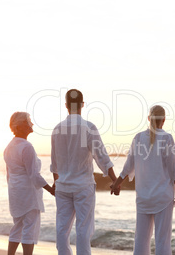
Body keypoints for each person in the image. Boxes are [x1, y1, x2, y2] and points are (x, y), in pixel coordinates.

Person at [51, 89, 118, 255]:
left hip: (63, 187)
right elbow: (101, 156)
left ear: (66, 105)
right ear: (82, 105)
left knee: (61, 229)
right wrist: (115, 181)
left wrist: (56, 184)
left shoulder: (57, 129)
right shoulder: (88, 127)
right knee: (83, 230)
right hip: (83, 187)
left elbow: (54, 163)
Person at [110, 105, 175, 255]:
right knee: (162, 240)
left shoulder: (138, 138)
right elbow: (173, 168)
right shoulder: (167, 138)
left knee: (141, 240)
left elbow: (128, 166)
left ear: (149, 119)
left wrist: (116, 184)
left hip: (143, 198)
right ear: (163, 120)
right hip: (163, 198)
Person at [4, 112, 55, 255]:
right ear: (21, 126)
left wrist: (14, 190)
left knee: (17, 226)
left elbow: (8, 175)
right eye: (29, 122)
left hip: (15, 191)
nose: (32, 124)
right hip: (28, 193)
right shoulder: (26, 147)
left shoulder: (8, 147)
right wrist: (51, 189)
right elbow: (34, 175)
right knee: (29, 228)